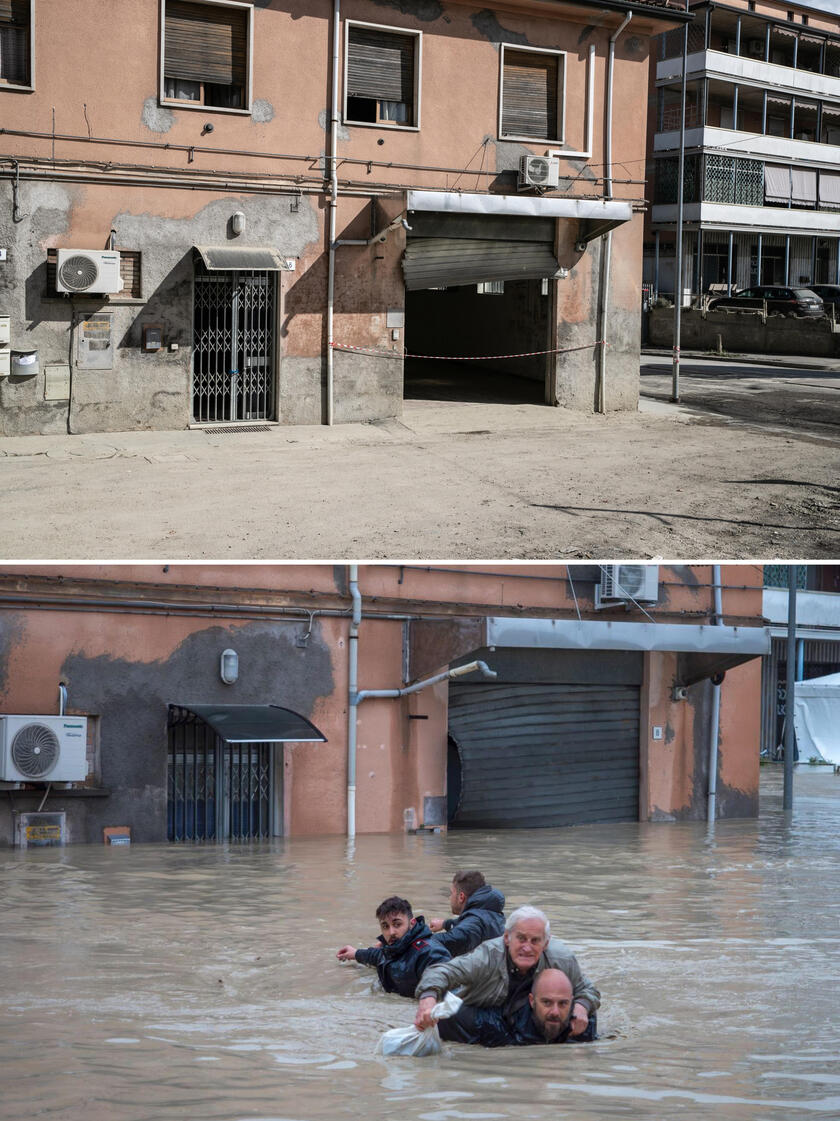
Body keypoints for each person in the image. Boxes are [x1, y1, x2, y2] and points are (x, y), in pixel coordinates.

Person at [414, 904, 599, 1035]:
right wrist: (427, 1000)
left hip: (529, 1016)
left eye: (535, 941)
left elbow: (588, 990)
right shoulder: (486, 956)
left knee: (588, 1022)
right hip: (486, 1014)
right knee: (450, 1017)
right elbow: (440, 972)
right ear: (507, 938)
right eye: (521, 939)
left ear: (546, 943)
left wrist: (582, 1008)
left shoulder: (562, 959)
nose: (527, 947)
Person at [438, 968, 598, 1048]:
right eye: (547, 1003)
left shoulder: (583, 1025)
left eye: (563, 1004)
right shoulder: (495, 1025)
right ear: (532, 1001)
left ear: (571, 1002)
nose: (555, 1012)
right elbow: (446, 1012)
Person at [337, 895, 450, 998]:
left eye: (397, 924)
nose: (391, 932)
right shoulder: (393, 949)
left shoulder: (428, 952)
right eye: (385, 926)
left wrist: (429, 997)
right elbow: (378, 956)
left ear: (412, 923)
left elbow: (445, 977)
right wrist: (355, 953)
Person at [427, 870, 505, 957]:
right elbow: (468, 925)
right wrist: (445, 924)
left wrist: (417, 938)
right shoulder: (489, 912)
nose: (450, 897)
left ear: (461, 897)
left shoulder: (474, 922)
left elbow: (455, 938)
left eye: (452, 893)